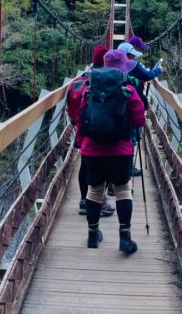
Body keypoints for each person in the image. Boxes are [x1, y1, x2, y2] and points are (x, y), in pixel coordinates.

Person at [76, 49, 146, 253]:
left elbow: (81, 118)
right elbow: (139, 119)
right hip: (120, 150)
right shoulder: (127, 89)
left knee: (95, 190)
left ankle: (92, 235)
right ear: (123, 66)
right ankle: (125, 238)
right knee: (123, 189)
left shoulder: (88, 88)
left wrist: (82, 142)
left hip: (92, 150)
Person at [66, 45, 115, 217]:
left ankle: (84, 200)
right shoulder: (110, 79)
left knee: (85, 165)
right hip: (103, 132)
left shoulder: (80, 81)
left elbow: (71, 111)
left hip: (82, 130)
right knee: (105, 165)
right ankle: (99, 202)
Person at [117, 41, 162, 177]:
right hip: (131, 105)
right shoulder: (133, 65)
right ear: (126, 55)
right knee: (132, 137)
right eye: (131, 55)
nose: (134, 57)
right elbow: (147, 76)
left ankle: (116, 167)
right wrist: (159, 70)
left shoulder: (111, 66)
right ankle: (128, 168)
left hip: (114, 107)